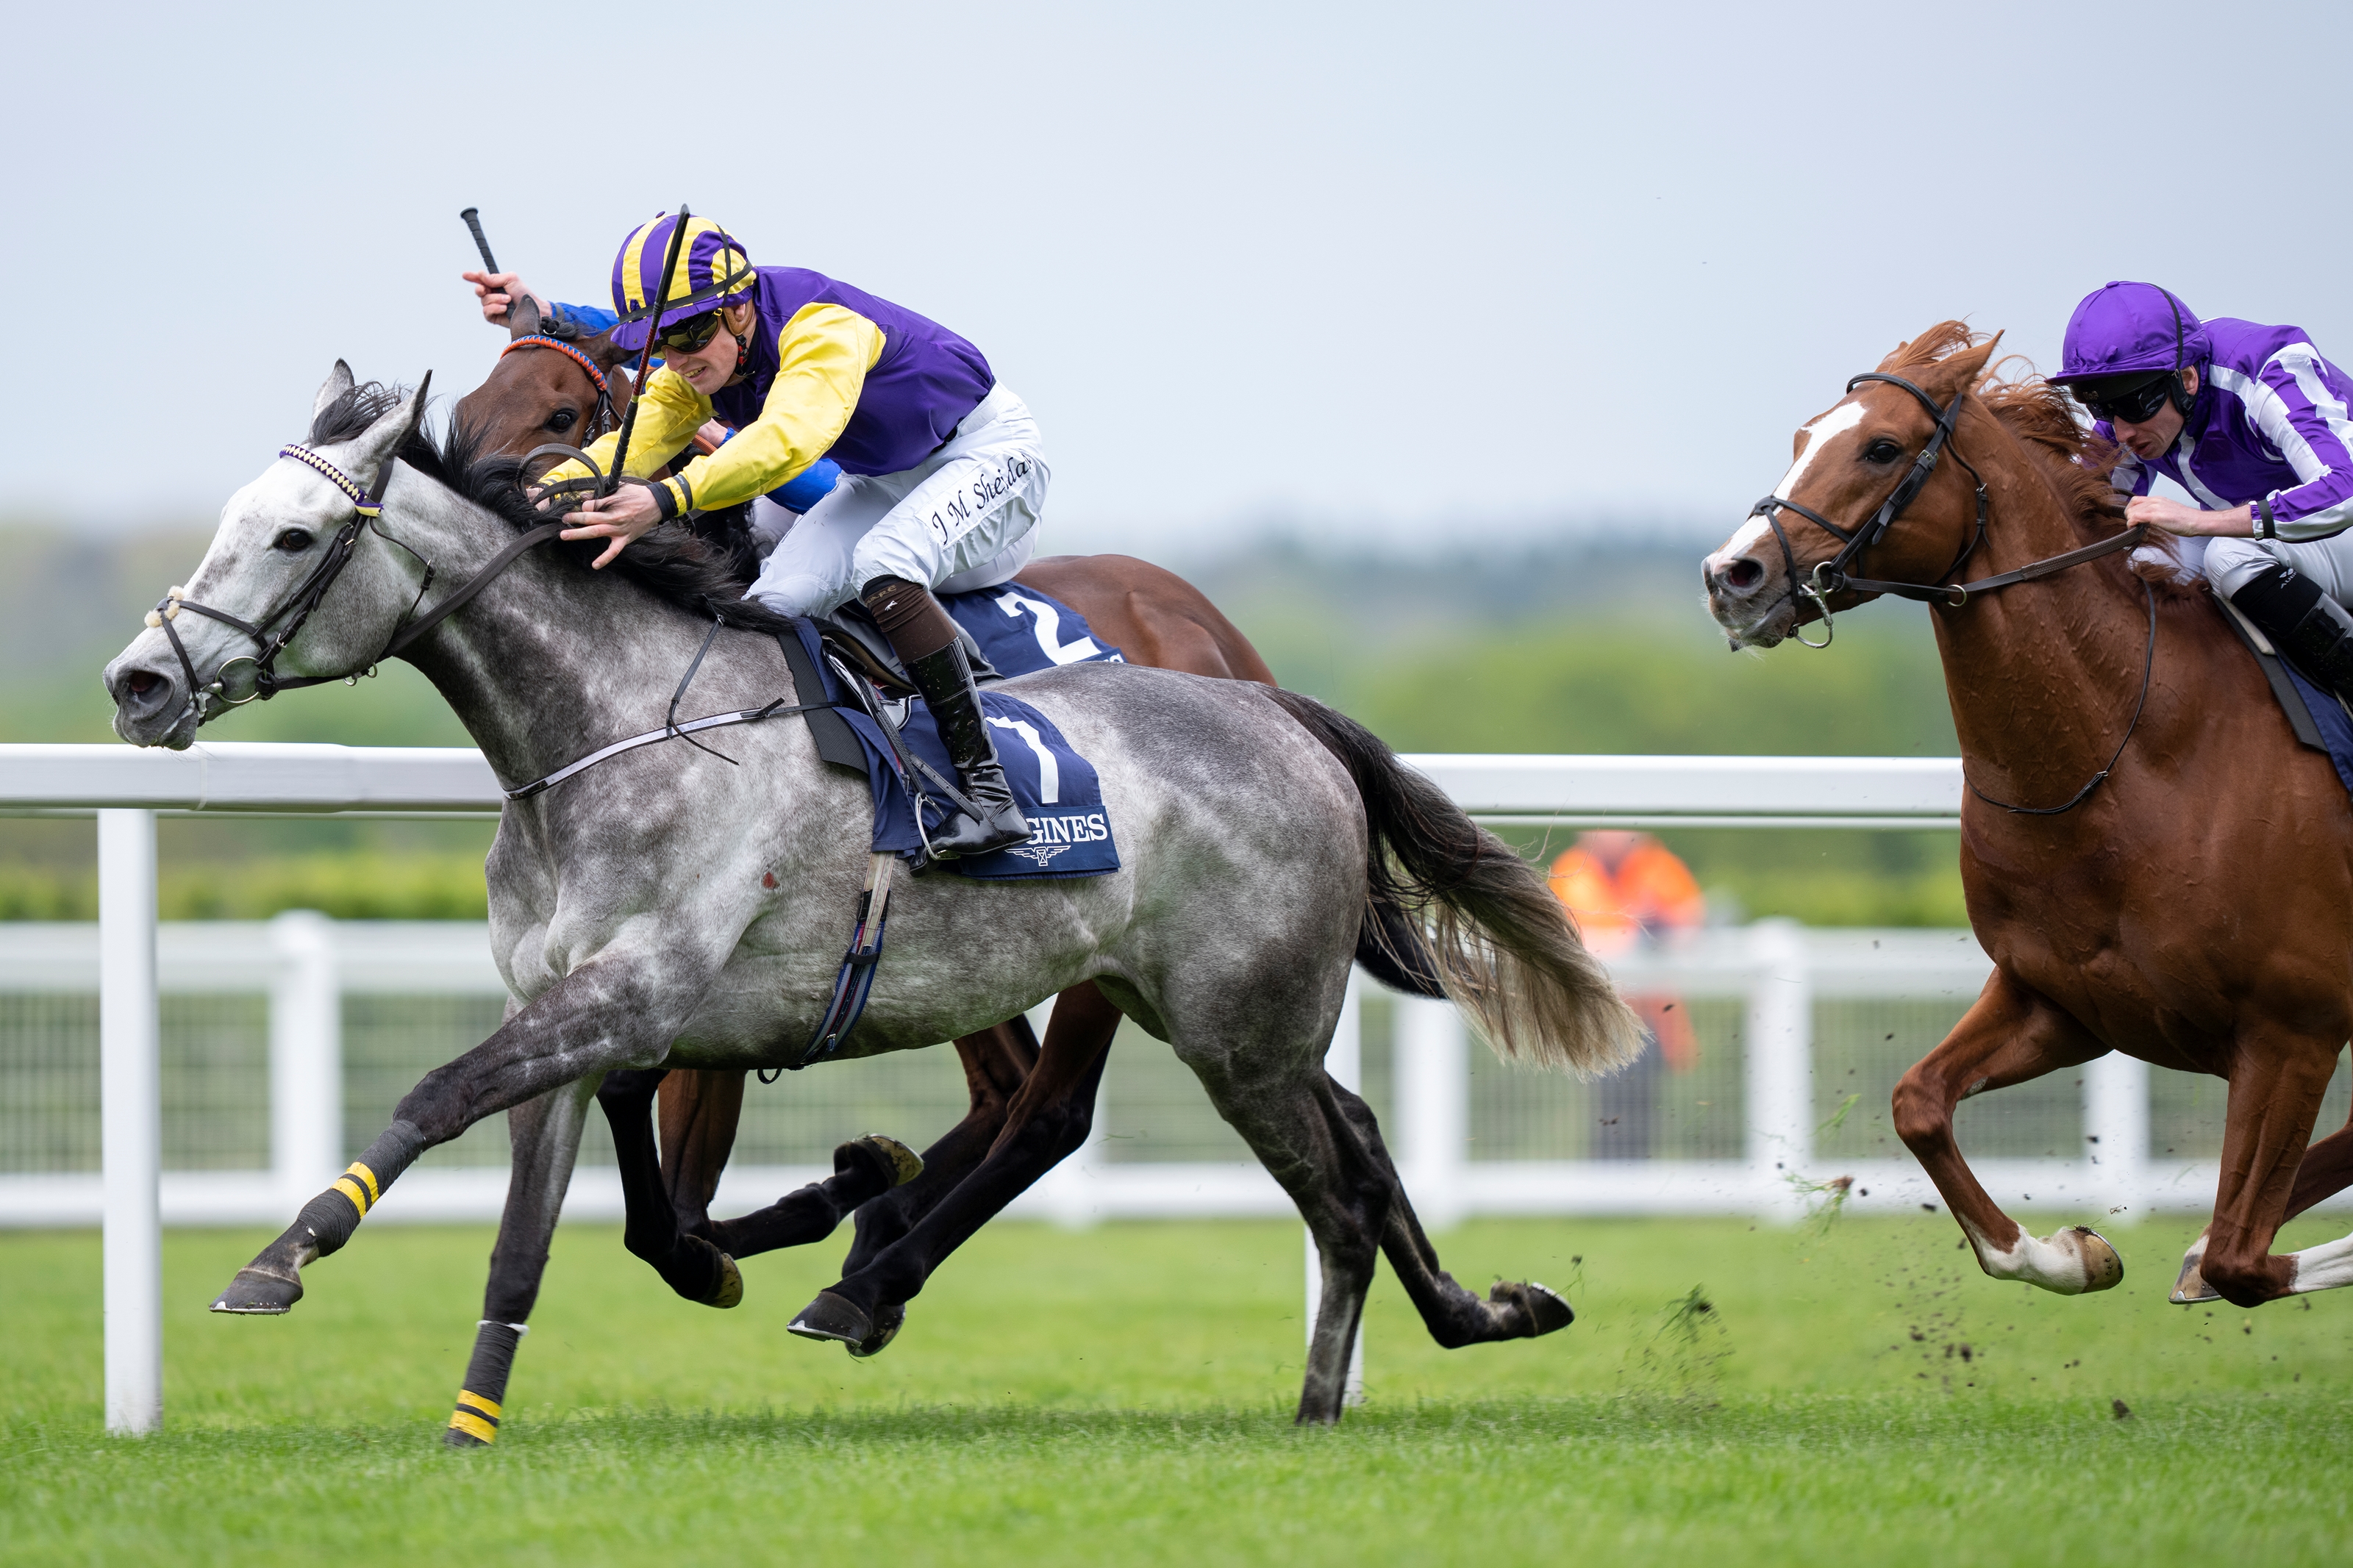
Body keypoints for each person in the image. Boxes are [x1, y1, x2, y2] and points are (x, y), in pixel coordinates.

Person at [520, 214, 1049, 859]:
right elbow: (632, 443)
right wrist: (543, 491)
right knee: (770, 608)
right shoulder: (695, 364)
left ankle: (992, 796)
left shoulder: (822, 326)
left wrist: (665, 498)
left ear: (740, 309)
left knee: (884, 561)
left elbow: (786, 444)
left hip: (990, 455)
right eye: (660, 343)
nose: (679, 360)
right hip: (885, 478)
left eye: (690, 332)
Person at [2050, 281, 2353, 695]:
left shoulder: (2265, 369)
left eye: (2133, 405)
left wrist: (2199, 521)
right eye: (2102, 408)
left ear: (2188, 378)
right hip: (2292, 543)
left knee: (2229, 555)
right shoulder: (2139, 407)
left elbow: (2344, 489)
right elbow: (2076, 521)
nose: (2119, 431)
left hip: (2341, 519)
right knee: (2145, 560)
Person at [1546, 832, 1704, 1159]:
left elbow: (1689, 924)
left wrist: (1660, 930)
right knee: (1602, 1108)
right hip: (1594, 1015)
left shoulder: (1659, 867)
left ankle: (1635, 1187)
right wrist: (1639, 934)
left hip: (1651, 1016)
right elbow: (1570, 936)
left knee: (1643, 1107)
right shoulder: (1571, 871)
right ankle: (1605, 1185)